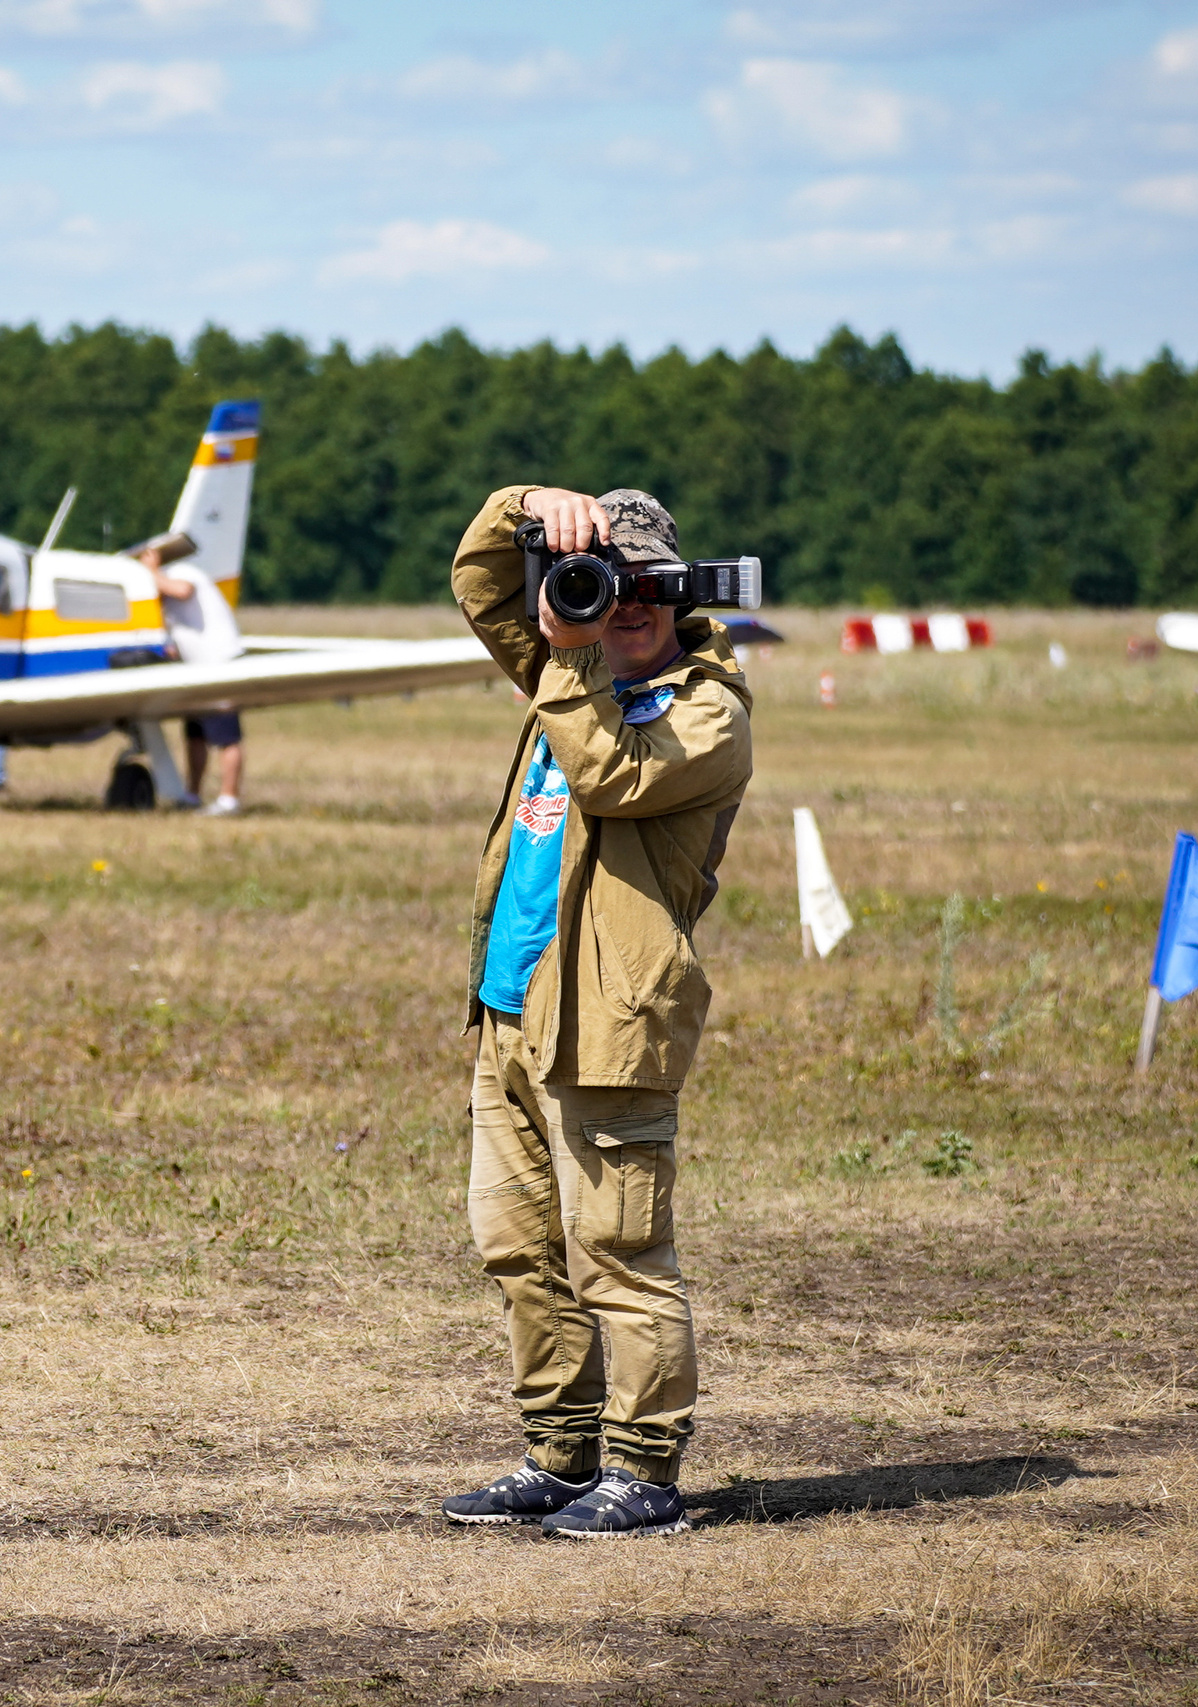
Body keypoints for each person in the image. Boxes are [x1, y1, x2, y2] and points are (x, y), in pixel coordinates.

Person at [437, 484, 753, 1541]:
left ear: (679, 591)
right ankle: (560, 1456)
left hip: (608, 1022)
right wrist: (527, 503)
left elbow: (614, 776)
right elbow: (475, 578)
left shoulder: (706, 711)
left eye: (640, 588)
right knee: (518, 1250)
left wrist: (565, 656)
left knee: (617, 1252)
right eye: (595, 582)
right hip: (512, 1015)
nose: (616, 606)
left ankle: (647, 1471)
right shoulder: (562, 667)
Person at [134, 532, 244, 815]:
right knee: (195, 734)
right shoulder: (164, 591)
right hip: (198, 669)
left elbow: (183, 591)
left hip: (219, 664)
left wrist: (150, 571)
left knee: (225, 734)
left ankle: (229, 799)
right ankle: (192, 794)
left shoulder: (181, 572)